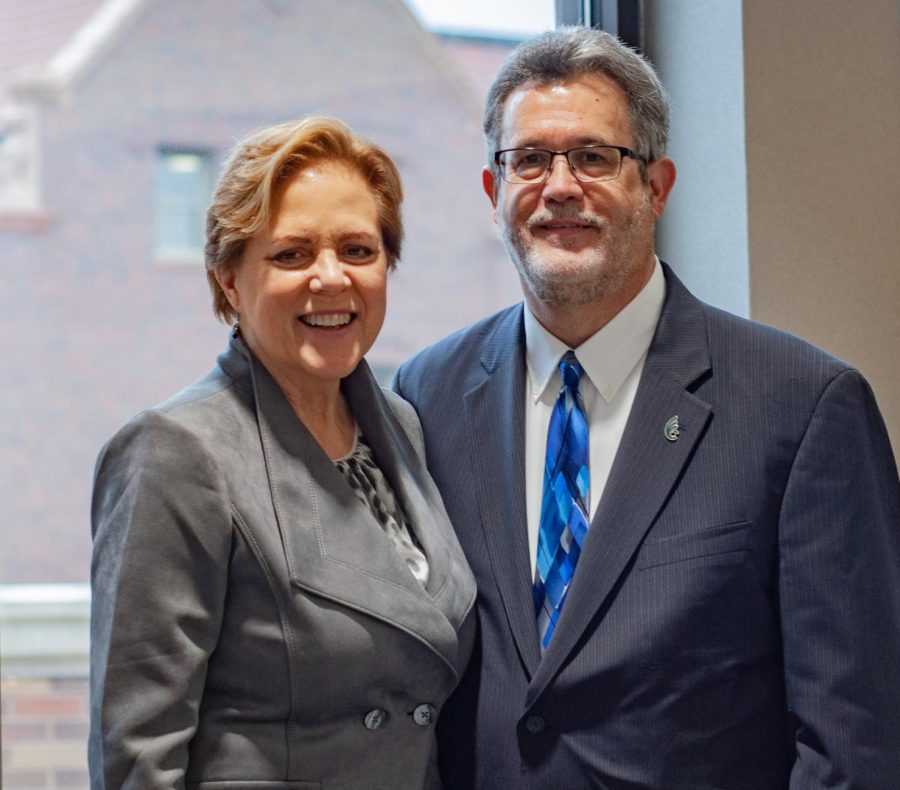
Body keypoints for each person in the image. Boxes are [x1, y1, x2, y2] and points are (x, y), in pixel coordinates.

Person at [394, 26, 900, 789]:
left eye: (594, 157)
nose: (559, 187)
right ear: (495, 194)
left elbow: (856, 740)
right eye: (529, 160)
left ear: (656, 188)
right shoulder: (426, 396)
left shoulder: (802, 409)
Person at [89, 115, 476, 789]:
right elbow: (137, 757)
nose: (330, 279)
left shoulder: (403, 429)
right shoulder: (176, 453)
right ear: (229, 281)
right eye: (291, 255)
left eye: (358, 250)